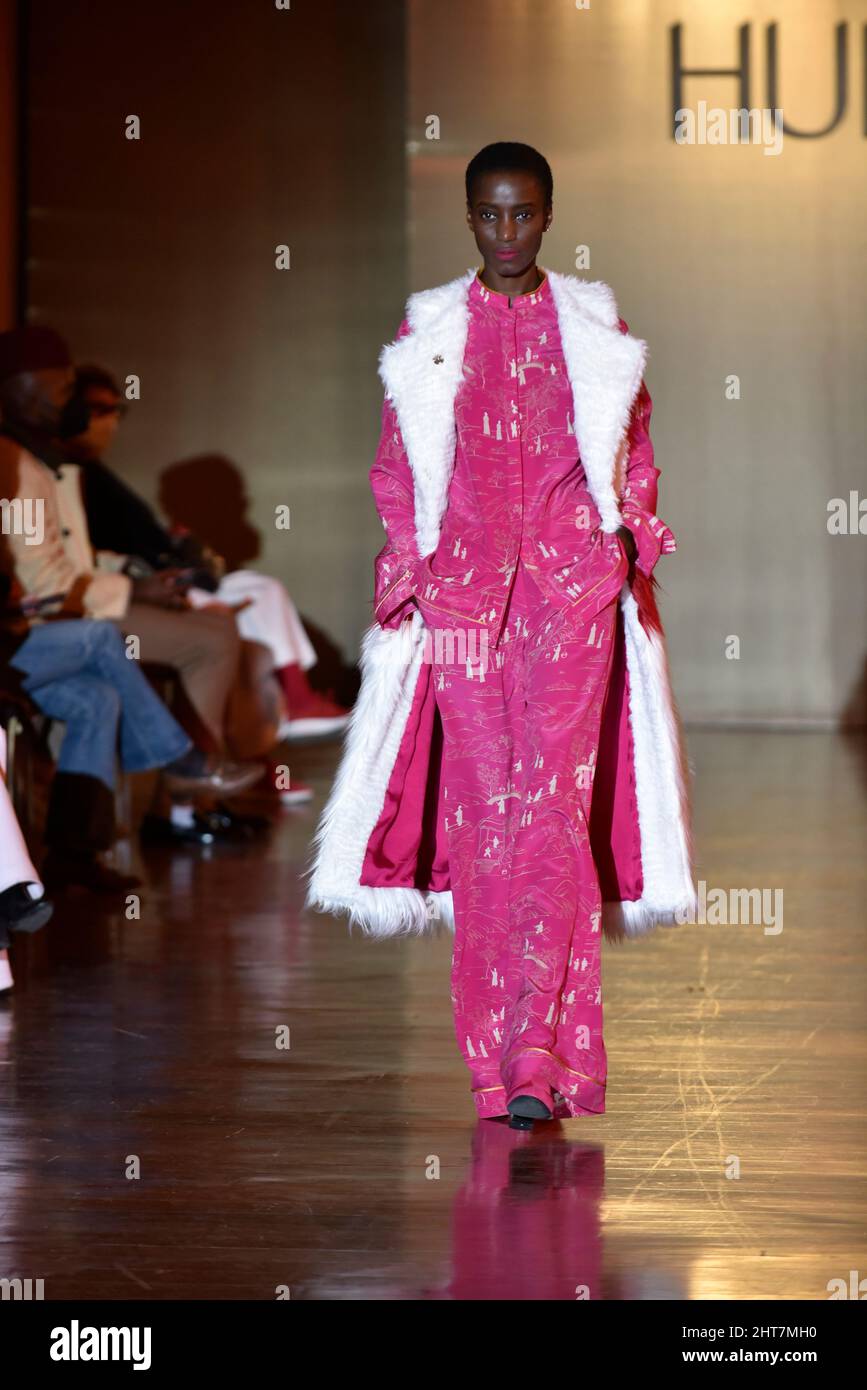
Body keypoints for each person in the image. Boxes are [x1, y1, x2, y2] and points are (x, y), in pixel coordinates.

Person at [305, 143, 696, 1129]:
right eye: (490, 215)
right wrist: (409, 572)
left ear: (550, 213)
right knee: (486, 813)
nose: (508, 233)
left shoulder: (596, 328)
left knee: (555, 812)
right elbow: (397, 471)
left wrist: (622, 545)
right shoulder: (429, 329)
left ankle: (544, 1048)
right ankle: (493, 1053)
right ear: (470, 217)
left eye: (524, 215)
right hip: (464, 607)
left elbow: (633, 456)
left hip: (570, 602)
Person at [0, 326, 263, 891]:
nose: (69, 397)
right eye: (61, 384)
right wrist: (132, 592)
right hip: (28, 637)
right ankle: (182, 767)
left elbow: (69, 558)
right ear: (20, 389)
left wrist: (132, 579)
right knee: (111, 642)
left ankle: (75, 860)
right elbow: (46, 585)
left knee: (98, 698)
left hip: (35, 636)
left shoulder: (42, 459)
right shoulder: (14, 462)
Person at [57, 366, 351, 750]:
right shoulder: (68, 474)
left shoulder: (93, 474)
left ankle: (289, 709)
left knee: (263, 590)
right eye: (97, 410)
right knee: (238, 629)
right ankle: (264, 743)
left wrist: (175, 549)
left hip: (157, 579)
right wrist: (143, 573)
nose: (109, 421)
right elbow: (84, 555)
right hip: (129, 591)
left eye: (116, 411)